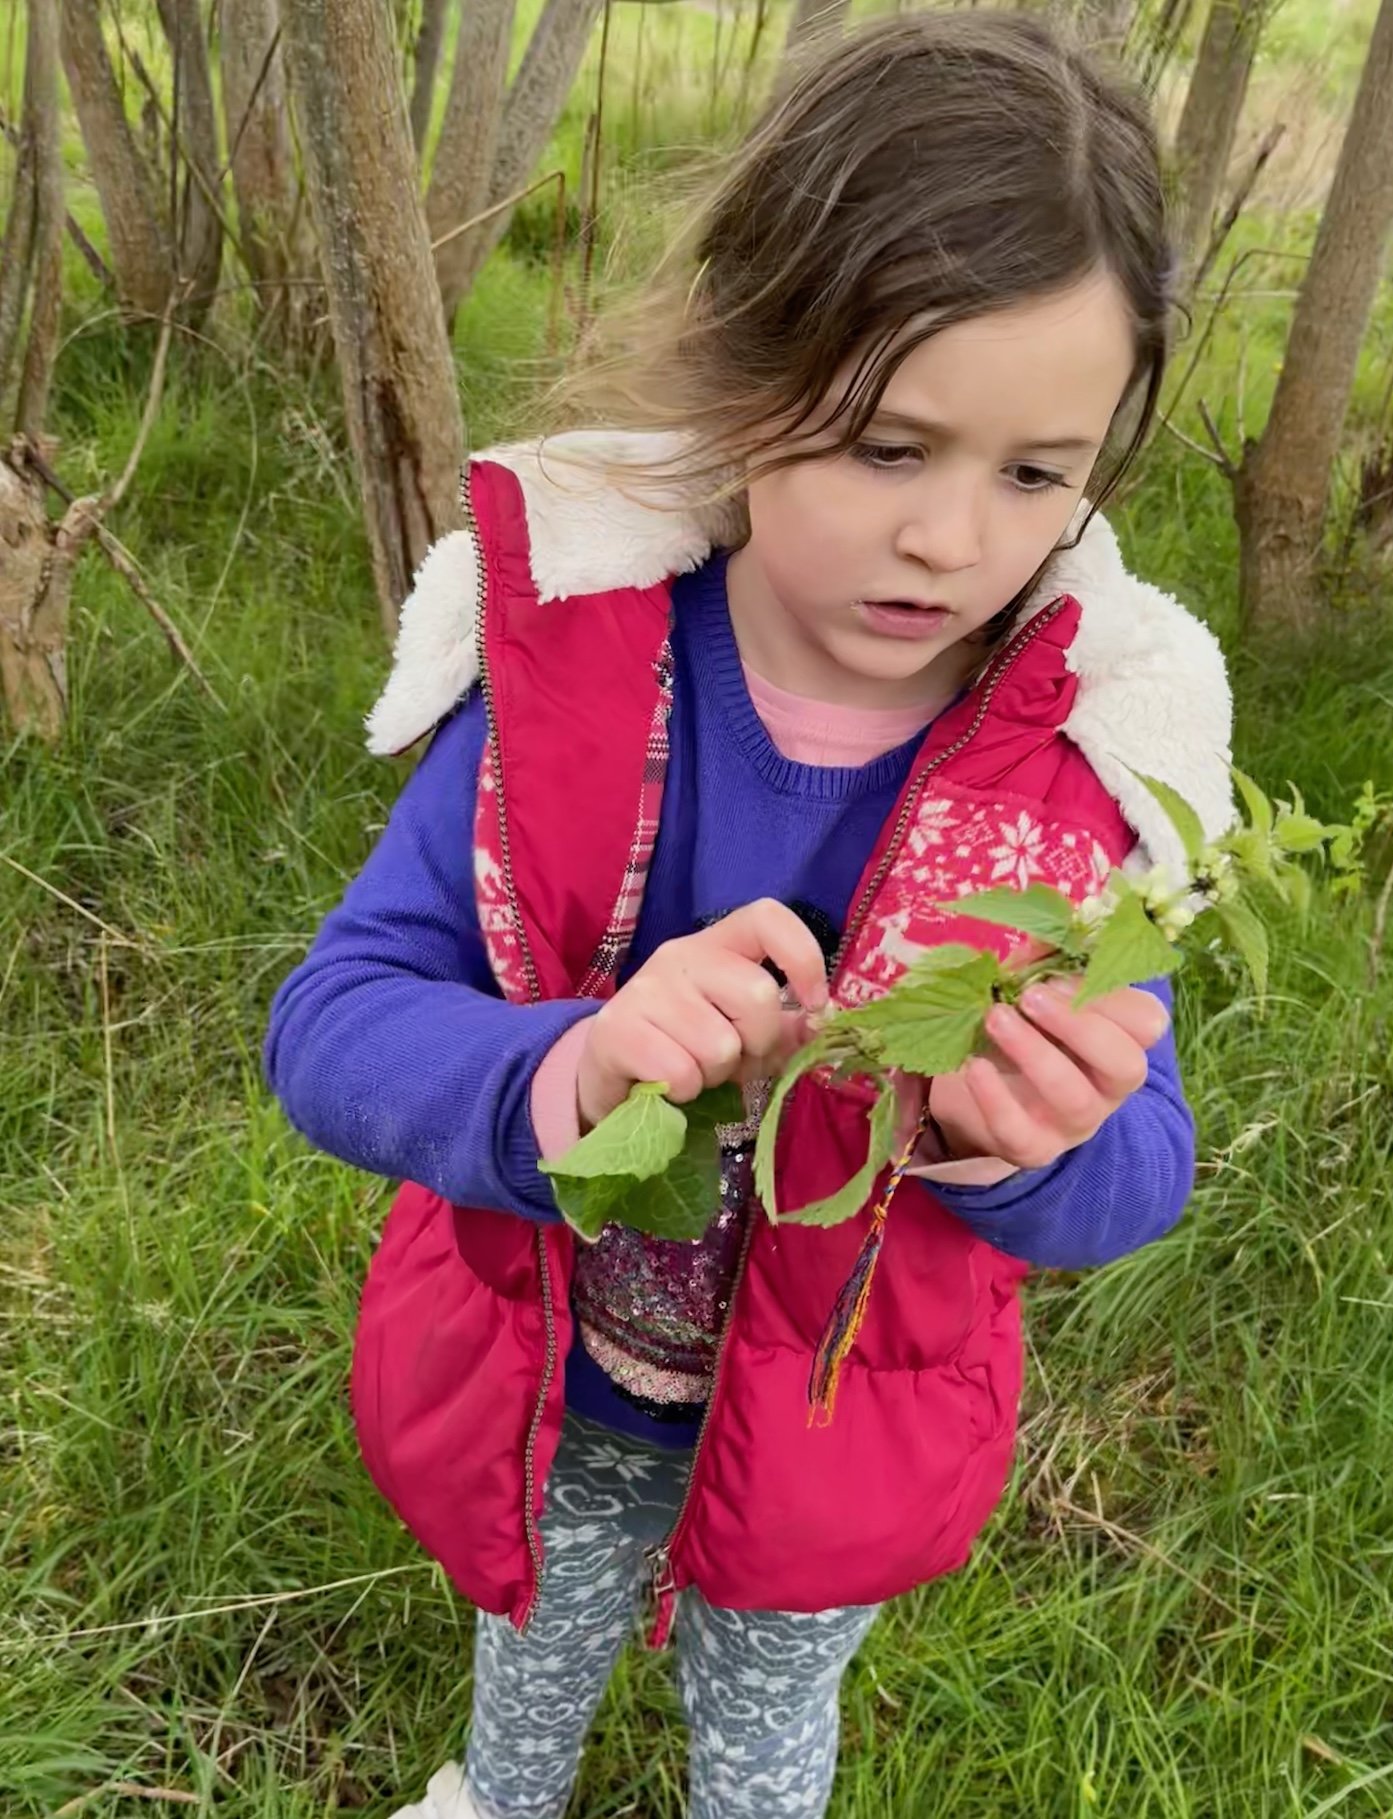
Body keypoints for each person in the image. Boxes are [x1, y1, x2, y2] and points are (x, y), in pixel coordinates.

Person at [265, 12, 1233, 1817]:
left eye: (1033, 473)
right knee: (534, 1645)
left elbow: (1141, 1160)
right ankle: (498, 1791)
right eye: (884, 444)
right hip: (562, 1379)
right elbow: (333, 1020)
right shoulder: (566, 685)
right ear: (738, 372)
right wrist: (565, 1065)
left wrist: (1034, 1148)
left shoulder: (1072, 774)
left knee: (770, 1725)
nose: (950, 538)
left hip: (833, 1422)